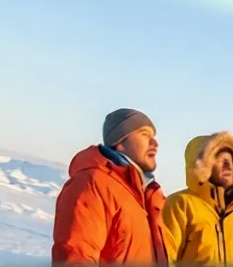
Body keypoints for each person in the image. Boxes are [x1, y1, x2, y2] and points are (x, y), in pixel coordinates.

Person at [53, 108, 170, 264]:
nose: (155, 143)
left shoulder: (151, 195)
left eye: (154, 137)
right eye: (145, 134)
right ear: (120, 142)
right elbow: (76, 256)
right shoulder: (93, 184)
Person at [162, 132, 233, 265]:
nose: (228, 164)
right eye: (218, 158)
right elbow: (164, 259)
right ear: (200, 164)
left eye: (231, 159)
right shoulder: (180, 205)